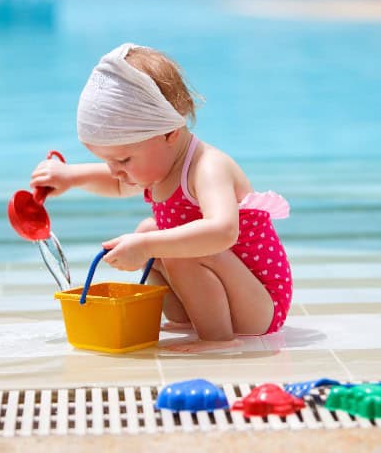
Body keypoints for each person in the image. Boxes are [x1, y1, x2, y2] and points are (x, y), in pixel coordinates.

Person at [30, 43, 292, 352]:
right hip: (229, 295)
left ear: (169, 133)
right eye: (109, 161)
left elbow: (223, 231)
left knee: (165, 243)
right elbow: (115, 185)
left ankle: (219, 339)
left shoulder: (208, 167)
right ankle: (188, 320)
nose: (116, 172)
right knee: (148, 230)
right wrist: (72, 177)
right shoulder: (160, 167)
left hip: (259, 306)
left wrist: (147, 247)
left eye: (124, 161)